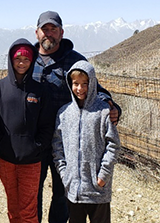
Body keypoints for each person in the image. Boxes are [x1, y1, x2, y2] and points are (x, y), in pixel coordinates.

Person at [31, 11, 121, 223]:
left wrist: (111, 104)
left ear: (61, 33)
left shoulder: (74, 60)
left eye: (54, 29)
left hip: (66, 141)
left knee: (63, 194)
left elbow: (94, 90)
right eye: (45, 29)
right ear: (37, 33)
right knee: (33, 193)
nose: (49, 34)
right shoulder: (27, 60)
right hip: (34, 140)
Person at [51, 60, 120, 223]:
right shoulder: (64, 113)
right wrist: (64, 173)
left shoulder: (103, 112)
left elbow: (114, 145)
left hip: (98, 191)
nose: (80, 89)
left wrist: (103, 175)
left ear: (93, 83)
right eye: (75, 84)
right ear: (70, 84)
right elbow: (57, 146)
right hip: (73, 190)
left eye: (85, 83)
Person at [0, 39, 46, 223]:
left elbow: (47, 124)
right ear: (11, 59)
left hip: (32, 160)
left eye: (26, 59)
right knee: (13, 208)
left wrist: (37, 146)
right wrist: (0, 143)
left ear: (32, 61)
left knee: (28, 210)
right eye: (17, 58)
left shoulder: (39, 91)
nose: (21, 63)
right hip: (6, 158)